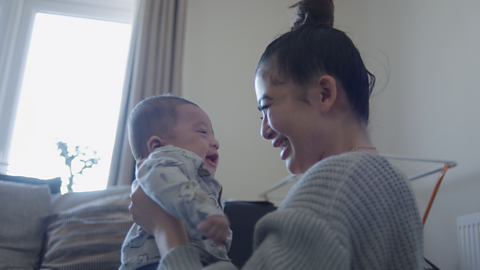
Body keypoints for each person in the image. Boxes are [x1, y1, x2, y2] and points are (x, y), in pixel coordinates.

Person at [127, 0, 424, 269]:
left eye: (267, 107)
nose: (264, 131)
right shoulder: (395, 185)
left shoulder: (335, 180)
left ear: (324, 94)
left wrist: (168, 233)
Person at [120, 95, 232, 270]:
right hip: (153, 262)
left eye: (213, 134)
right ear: (158, 147)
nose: (215, 142)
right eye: (203, 132)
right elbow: (169, 179)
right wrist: (204, 211)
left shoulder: (196, 177)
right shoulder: (165, 159)